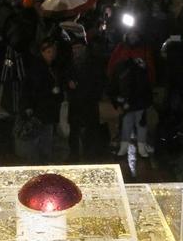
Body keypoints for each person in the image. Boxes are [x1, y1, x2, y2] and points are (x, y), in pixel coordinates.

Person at [108, 28, 157, 157]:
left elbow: (150, 70)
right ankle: (123, 145)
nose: (133, 36)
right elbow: (112, 67)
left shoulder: (144, 49)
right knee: (126, 120)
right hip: (125, 92)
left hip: (140, 92)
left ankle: (141, 145)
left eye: (135, 34)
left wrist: (145, 72)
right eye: (131, 34)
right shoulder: (121, 48)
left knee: (141, 120)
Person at [19, 38, 64, 161]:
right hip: (39, 110)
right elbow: (29, 89)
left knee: (46, 140)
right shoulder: (37, 68)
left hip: (48, 110)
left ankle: (43, 160)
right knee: (37, 141)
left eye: (53, 51)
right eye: (48, 52)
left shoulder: (53, 67)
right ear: (42, 52)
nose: (51, 54)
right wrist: (28, 106)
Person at [66, 36, 105, 160]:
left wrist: (94, 95)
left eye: (78, 48)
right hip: (75, 101)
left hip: (89, 101)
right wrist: (69, 83)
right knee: (74, 130)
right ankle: (74, 154)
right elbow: (65, 77)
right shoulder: (70, 63)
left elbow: (99, 81)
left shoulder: (93, 62)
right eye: (74, 48)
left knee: (90, 129)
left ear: (84, 48)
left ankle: (90, 154)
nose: (76, 51)